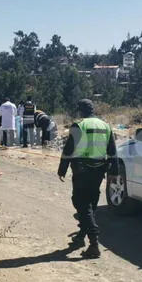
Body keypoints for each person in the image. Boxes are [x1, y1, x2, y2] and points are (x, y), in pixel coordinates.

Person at [57, 99, 119, 259]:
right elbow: (112, 150)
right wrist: (115, 169)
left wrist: (62, 169)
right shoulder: (105, 126)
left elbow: (69, 149)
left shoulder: (80, 125)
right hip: (99, 170)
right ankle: (80, 237)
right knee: (90, 203)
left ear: (80, 111)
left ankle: (94, 243)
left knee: (80, 203)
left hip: (82, 170)